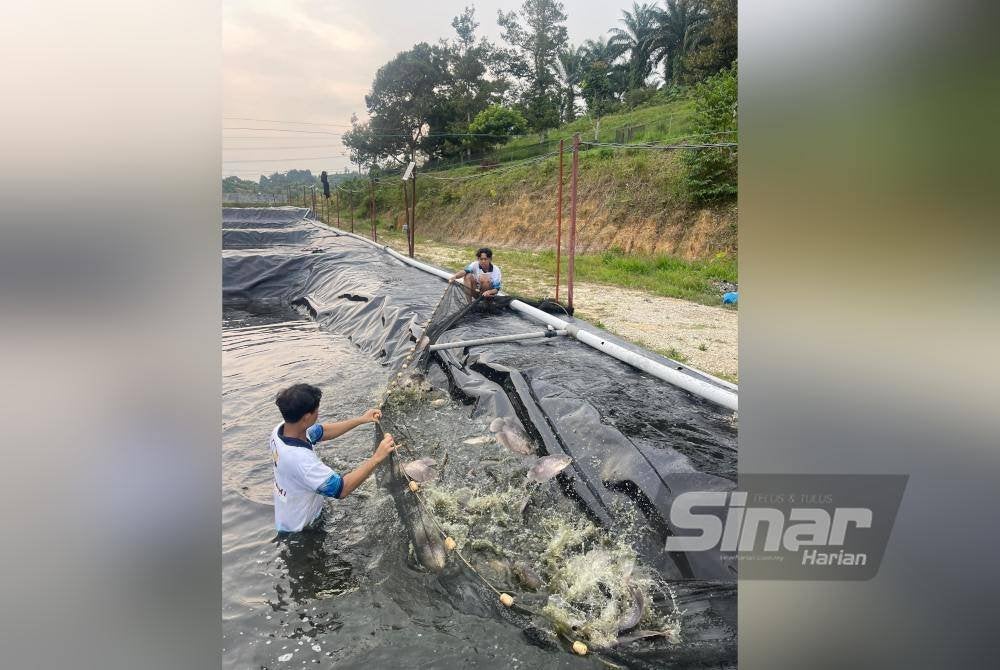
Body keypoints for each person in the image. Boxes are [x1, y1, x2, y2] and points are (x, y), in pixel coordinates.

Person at [269, 383, 395, 533]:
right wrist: (377, 458)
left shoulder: (283, 429)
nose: (318, 413)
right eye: (316, 410)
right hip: (300, 530)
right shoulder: (301, 461)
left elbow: (322, 432)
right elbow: (342, 489)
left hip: (290, 512)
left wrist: (361, 419)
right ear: (306, 417)